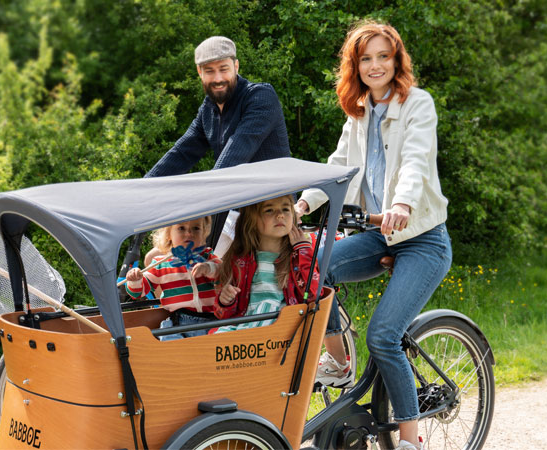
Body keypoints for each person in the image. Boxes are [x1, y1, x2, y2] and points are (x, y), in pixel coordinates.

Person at [295, 21, 452, 450]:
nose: (375, 65)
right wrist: (302, 206)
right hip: (380, 236)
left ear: (397, 60)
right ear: (356, 65)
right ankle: (342, 364)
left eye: (384, 56)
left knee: (383, 336)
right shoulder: (359, 111)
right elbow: (338, 167)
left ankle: (409, 440)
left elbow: (417, 161)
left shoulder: (418, 104)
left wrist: (401, 205)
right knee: (311, 267)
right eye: (366, 58)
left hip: (421, 238)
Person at [145, 36, 291, 255]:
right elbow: (181, 153)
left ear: (236, 66)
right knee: (157, 258)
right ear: (199, 73)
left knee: (205, 263)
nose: (218, 78)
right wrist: (140, 189)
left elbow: (232, 159)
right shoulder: (208, 110)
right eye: (210, 71)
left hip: (269, 213)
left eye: (224, 69)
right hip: (233, 211)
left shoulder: (260, 98)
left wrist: (198, 201)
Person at [211, 195, 319, 333]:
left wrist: (303, 250)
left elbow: (313, 294)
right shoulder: (239, 261)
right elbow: (225, 314)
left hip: (283, 331)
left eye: (286, 209)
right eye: (269, 210)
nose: (280, 215)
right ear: (252, 220)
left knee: (267, 305)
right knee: (215, 339)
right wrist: (225, 301)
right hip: (245, 329)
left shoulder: (297, 257)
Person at [125, 217, 221, 341]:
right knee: (166, 335)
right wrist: (135, 280)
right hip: (180, 322)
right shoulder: (161, 264)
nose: (189, 233)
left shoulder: (208, 257)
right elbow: (139, 291)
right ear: (168, 235)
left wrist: (209, 268)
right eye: (181, 228)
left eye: (196, 228)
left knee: (226, 335)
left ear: (203, 234)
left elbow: (225, 273)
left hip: (212, 321)